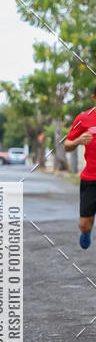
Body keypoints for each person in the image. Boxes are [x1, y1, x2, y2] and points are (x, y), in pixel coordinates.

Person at [64, 87, 96, 249]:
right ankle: (86, 232)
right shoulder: (84, 118)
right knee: (85, 224)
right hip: (91, 179)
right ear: (94, 98)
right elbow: (67, 145)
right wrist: (78, 141)